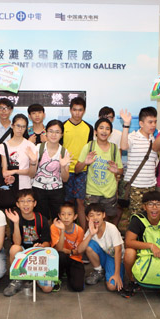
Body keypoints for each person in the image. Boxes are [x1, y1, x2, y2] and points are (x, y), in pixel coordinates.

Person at [122, 191, 160, 298]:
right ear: (144, 206)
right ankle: (133, 281)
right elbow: (128, 242)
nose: (154, 207)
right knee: (129, 253)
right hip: (144, 255)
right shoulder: (138, 220)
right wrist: (151, 246)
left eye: (158, 204)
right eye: (150, 204)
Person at [3, 189, 52, 296]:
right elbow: (16, 243)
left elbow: (47, 242)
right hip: (22, 252)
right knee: (14, 249)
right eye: (22, 201)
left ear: (34, 203)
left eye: (29, 201)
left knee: (47, 288)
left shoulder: (42, 219)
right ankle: (17, 279)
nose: (26, 204)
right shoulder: (15, 218)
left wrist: (41, 246)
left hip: (38, 254)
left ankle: (33, 276)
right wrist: (16, 223)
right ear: (17, 204)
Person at [76, 118, 123, 225]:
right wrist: (85, 163)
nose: (104, 131)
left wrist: (117, 170)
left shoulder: (114, 148)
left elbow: (121, 170)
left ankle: (104, 241)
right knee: (91, 220)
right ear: (95, 131)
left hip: (109, 192)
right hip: (92, 192)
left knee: (107, 221)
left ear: (110, 133)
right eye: (101, 128)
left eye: (107, 129)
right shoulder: (89, 147)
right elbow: (77, 169)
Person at [120, 106, 159, 219]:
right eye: (150, 122)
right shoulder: (133, 136)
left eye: (155, 122)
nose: (153, 125)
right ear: (141, 123)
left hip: (151, 186)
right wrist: (126, 125)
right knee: (136, 219)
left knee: (150, 219)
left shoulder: (154, 139)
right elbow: (123, 146)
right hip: (136, 187)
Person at [62, 96, 94, 229]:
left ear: (84, 111)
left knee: (81, 202)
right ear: (70, 110)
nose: (77, 113)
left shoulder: (89, 128)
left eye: (80, 110)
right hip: (65, 171)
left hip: (82, 170)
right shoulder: (63, 126)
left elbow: (90, 149)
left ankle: (85, 232)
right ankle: (67, 231)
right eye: (74, 110)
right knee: (67, 203)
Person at [79, 203, 124, 292]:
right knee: (89, 245)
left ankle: (110, 271)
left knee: (112, 287)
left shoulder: (112, 228)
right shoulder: (90, 230)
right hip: (103, 257)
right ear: (87, 218)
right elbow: (80, 250)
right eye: (92, 215)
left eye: (98, 214)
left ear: (103, 215)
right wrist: (90, 235)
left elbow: (118, 251)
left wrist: (116, 274)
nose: (95, 218)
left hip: (114, 258)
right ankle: (99, 271)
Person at [32, 119, 71, 220]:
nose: (54, 135)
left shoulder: (64, 151)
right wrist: (33, 162)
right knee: (41, 219)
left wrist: (63, 166)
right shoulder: (38, 148)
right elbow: (31, 174)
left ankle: (56, 236)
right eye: (51, 131)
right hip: (38, 188)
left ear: (62, 134)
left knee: (57, 218)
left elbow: (65, 179)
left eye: (57, 132)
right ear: (46, 132)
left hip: (57, 190)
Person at [50, 202, 86, 292]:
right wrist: (62, 231)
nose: (66, 217)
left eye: (69, 214)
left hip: (74, 258)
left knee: (77, 287)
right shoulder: (54, 227)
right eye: (63, 214)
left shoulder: (79, 230)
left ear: (75, 216)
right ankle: (58, 276)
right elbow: (59, 249)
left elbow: (78, 252)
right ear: (59, 216)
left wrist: (70, 252)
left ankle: (69, 272)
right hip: (59, 257)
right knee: (60, 255)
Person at [0, 114, 38, 192]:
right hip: (10, 187)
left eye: (23, 127)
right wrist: (9, 176)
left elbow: (32, 173)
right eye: (18, 126)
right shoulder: (3, 146)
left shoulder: (30, 146)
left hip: (26, 186)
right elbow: (4, 172)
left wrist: (15, 171)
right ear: (12, 126)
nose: (20, 129)